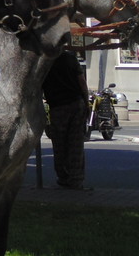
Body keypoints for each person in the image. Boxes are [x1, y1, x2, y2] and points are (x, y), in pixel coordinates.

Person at [42, 50, 90, 189]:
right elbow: (82, 82)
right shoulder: (70, 58)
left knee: (59, 144)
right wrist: (86, 102)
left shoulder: (45, 60)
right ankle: (76, 180)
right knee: (76, 144)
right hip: (76, 103)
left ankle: (63, 177)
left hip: (57, 106)